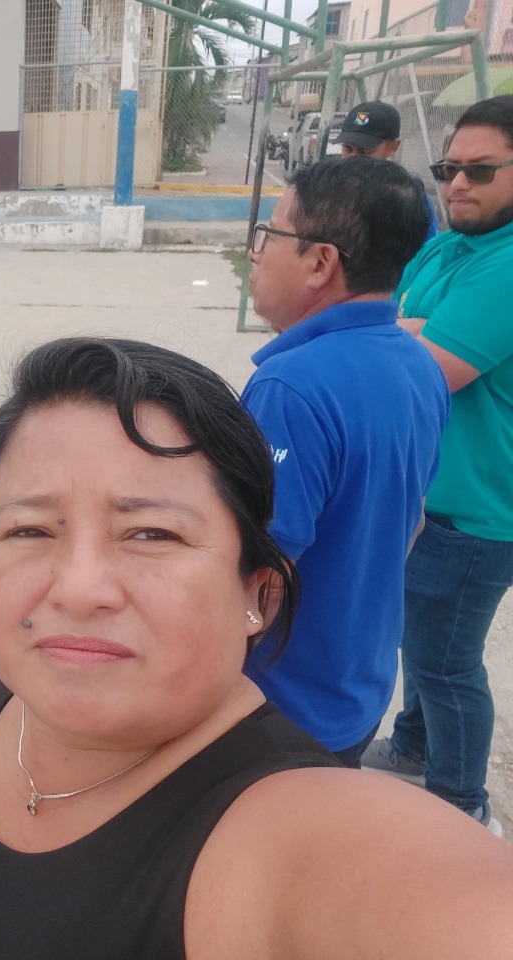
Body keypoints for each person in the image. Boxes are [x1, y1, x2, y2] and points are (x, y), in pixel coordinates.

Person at [0, 337, 513, 960]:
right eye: (30, 530)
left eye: (152, 534)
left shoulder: (301, 839)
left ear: (258, 594)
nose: (79, 589)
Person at [240, 157, 448, 767]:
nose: (255, 253)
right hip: (358, 686)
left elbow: (264, 575)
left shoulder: (291, 386)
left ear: (320, 262)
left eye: (270, 234)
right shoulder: (418, 365)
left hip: (279, 707)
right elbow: (412, 520)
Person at [363, 95, 513, 833]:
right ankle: (415, 745)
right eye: (449, 168)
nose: (457, 184)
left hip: (476, 508)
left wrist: (413, 332)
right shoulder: (451, 246)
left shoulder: (508, 266)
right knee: (421, 641)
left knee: (447, 661)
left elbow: (434, 367)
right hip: (428, 491)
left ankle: (460, 807)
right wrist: (412, 328)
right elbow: (378, 317)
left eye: (480, 171)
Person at [333, 100, 440, 237]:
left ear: (393, 147)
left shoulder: (410, 200)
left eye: (364, 151)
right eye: (347, 148)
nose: (353, 158)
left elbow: (426, 247)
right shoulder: (326, 188)